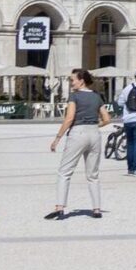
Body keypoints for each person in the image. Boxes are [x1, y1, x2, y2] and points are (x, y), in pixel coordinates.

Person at [46, 68, 111, 221]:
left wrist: (57, 138)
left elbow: (69, 118)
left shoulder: (74, 96)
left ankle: (60, 207)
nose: (71, 82)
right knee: (93, 175)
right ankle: (96, 209)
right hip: (94, 133)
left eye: (72, 79)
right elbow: (107, 119)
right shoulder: (97, 96)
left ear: (81, 81)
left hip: (78, 133)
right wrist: (94, 125)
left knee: (65, 172)